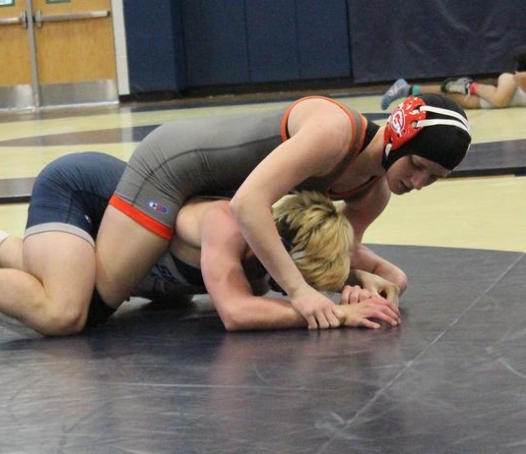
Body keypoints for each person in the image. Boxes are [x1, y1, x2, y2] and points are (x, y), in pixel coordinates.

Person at [0, 152, 401, 335]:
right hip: (78, 189)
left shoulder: (285, 236)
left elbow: (381, 274)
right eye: (300, 282)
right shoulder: (227, 224)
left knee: (103, 281)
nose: (297, 292)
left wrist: (360, 285)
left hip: (114, 228)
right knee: (67, 312)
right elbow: (238, 314)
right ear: (278, 250)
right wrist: (328, 313)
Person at [89, 93, 471, 330]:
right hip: (170, 168)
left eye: (433, 178)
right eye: (418, 165)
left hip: (212, 195)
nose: (419, 182)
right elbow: (247, 204)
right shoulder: (335, 132)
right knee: (86, 310)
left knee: (219, 282)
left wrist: (386, 279)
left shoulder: (373, 193)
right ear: (400, 136)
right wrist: (299, 292)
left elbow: (331, 253)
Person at [381, 73, 526, 110]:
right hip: (510, 84)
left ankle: (406, 89)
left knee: (459, 100)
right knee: (500, 100)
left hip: (503, 98)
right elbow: (517, 77)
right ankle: (469, 86)